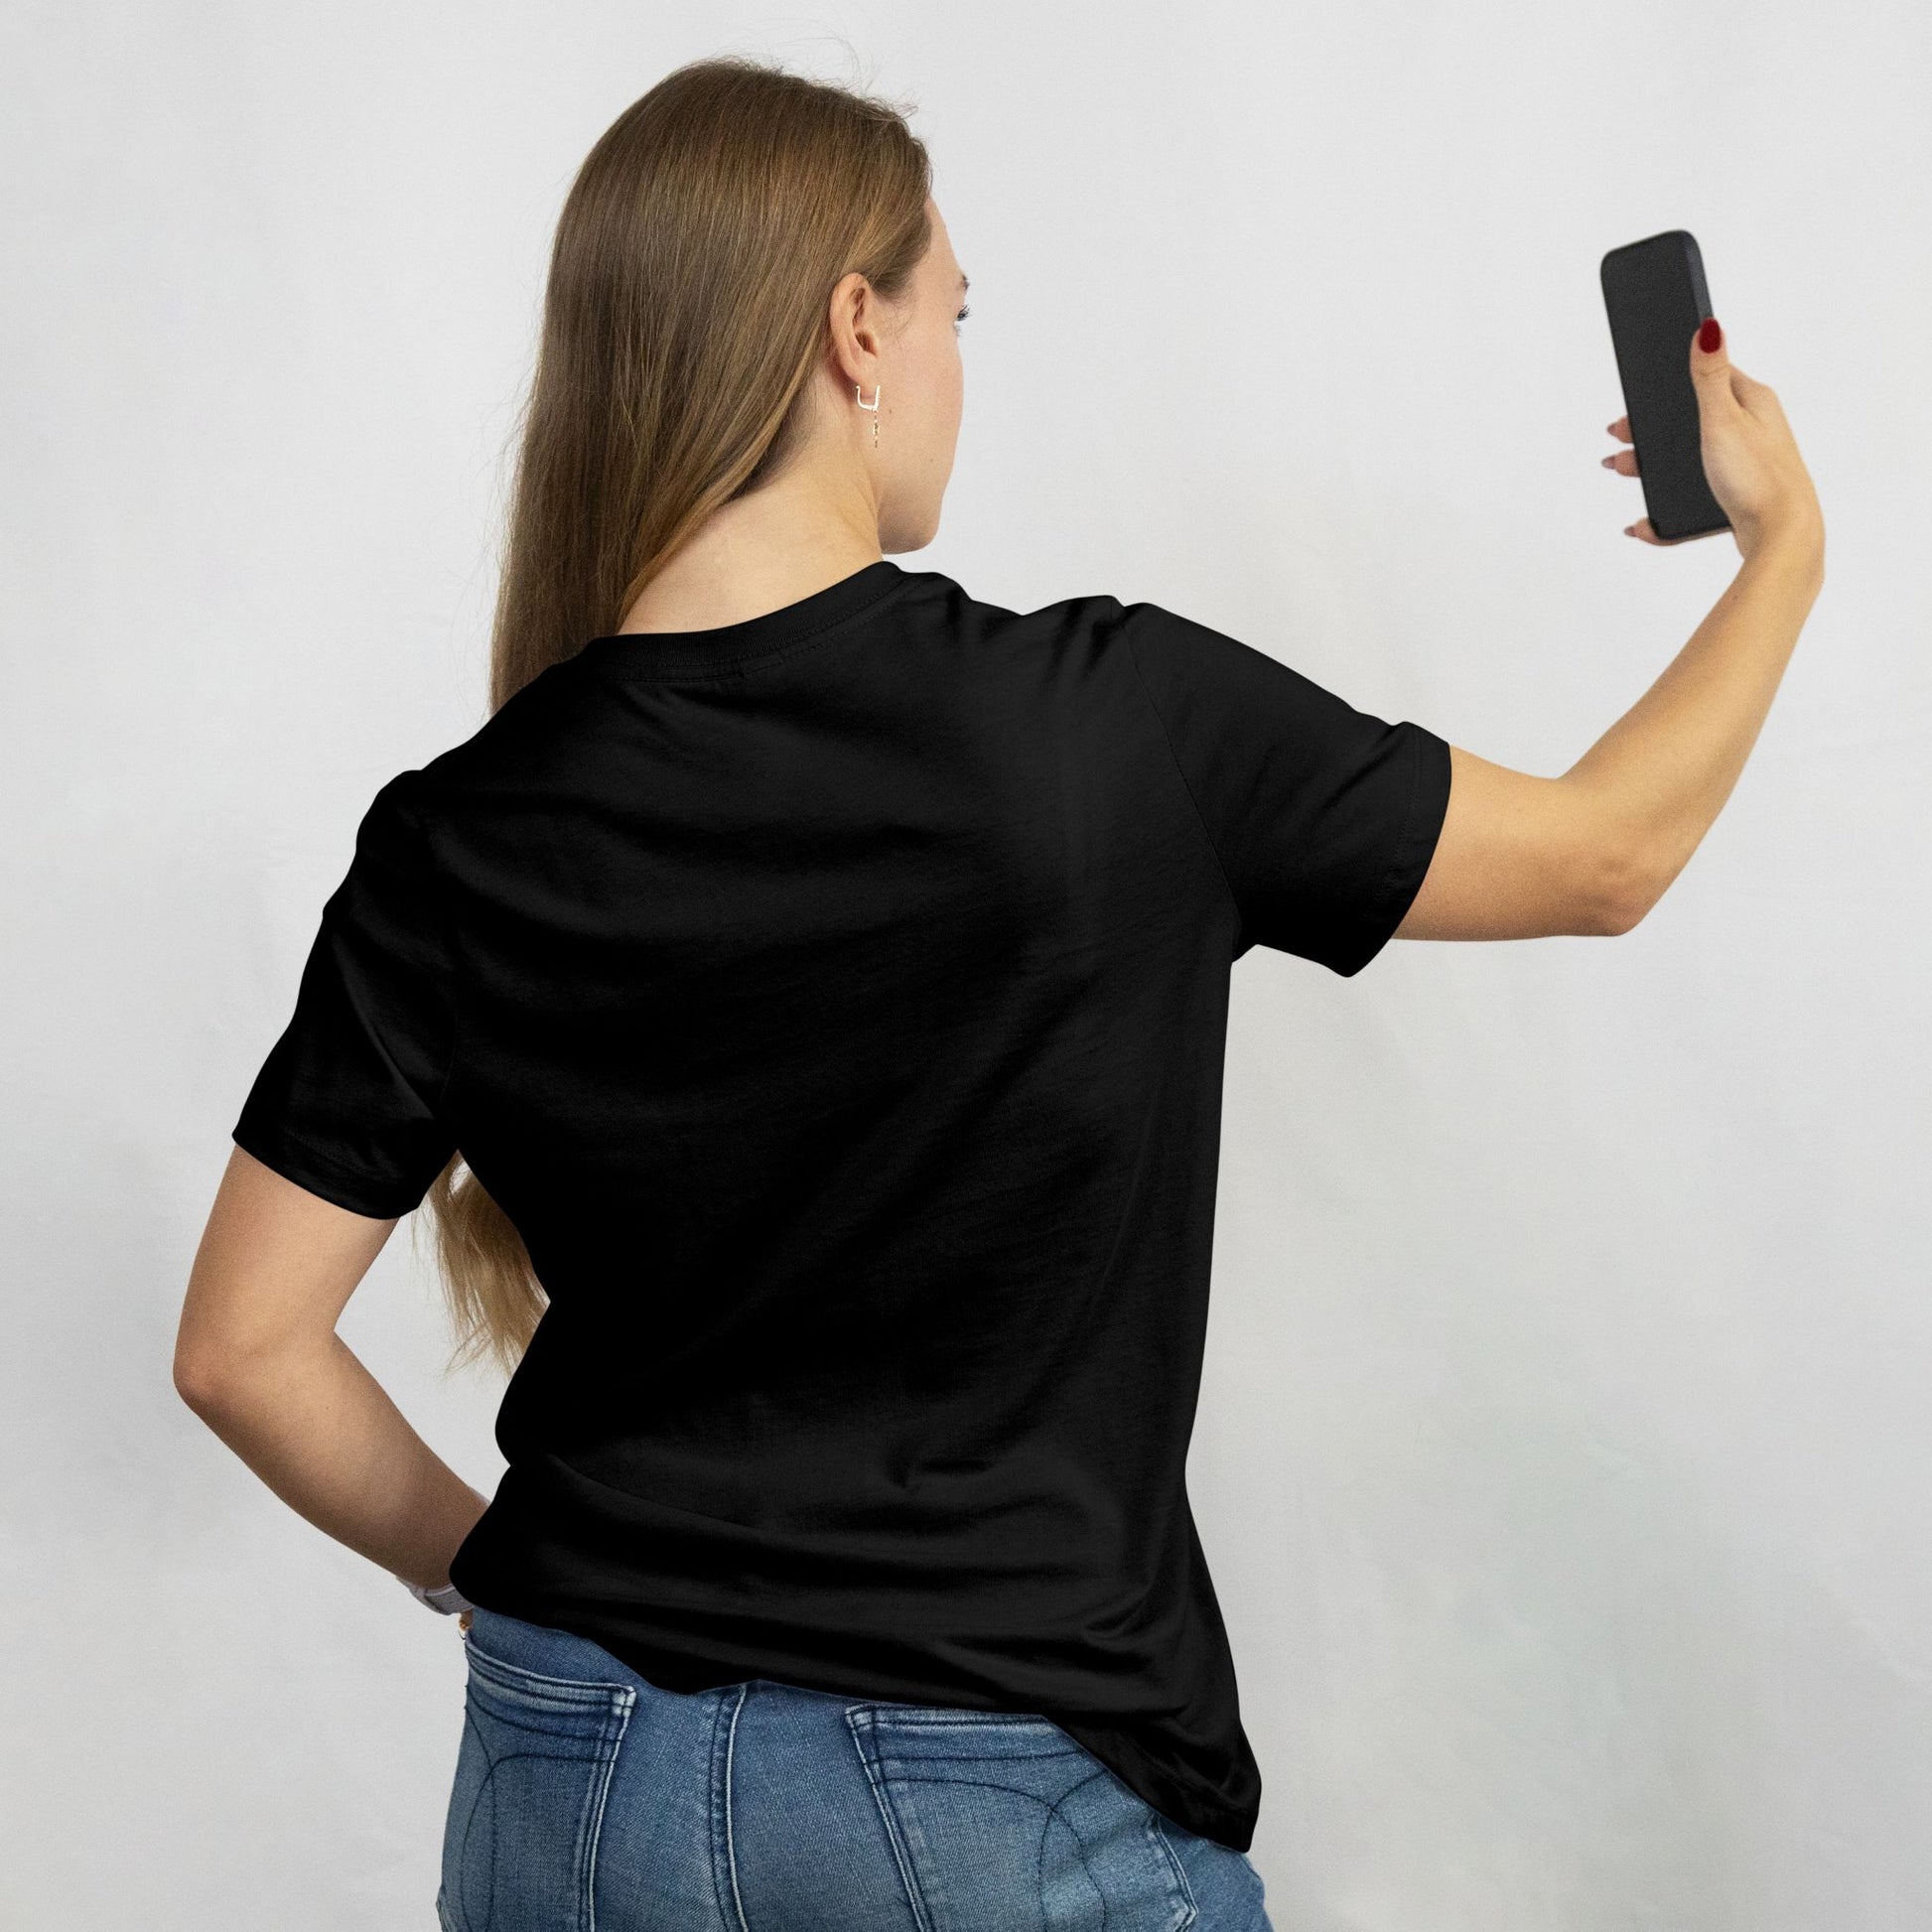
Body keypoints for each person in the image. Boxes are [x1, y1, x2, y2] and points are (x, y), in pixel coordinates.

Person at [173, 55, 1824, 1932]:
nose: (959, 360)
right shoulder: (1114, 729)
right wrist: (1785, 549)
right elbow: (1607, 854)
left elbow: (242, 1348)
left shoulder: (459, 830)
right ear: (853, 331)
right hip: (982, 1797)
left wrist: (491, 1572)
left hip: (570, 1780)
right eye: (954, 311)